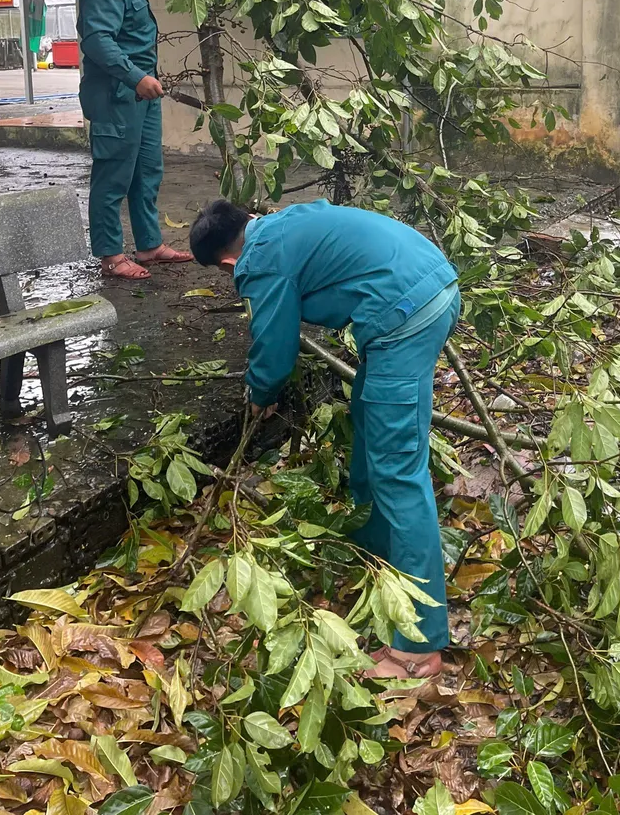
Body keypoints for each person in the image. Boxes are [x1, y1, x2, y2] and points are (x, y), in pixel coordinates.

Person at [189, 197, 460, 679]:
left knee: (398, 471)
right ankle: (377, 569)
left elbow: (274, 345)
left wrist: (259, 391)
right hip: (425, 289)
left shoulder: (259, 258)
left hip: (403, 315)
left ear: (226, 262)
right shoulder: (283, 223)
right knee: (370, 433)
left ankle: (419, 646)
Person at [78, 0, 191, 279]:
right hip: (117, 94)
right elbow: (97, 40)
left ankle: (149, 245)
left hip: (140, 95)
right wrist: (134, 77)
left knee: (147, 172)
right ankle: (111, 256)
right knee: (113, 177)